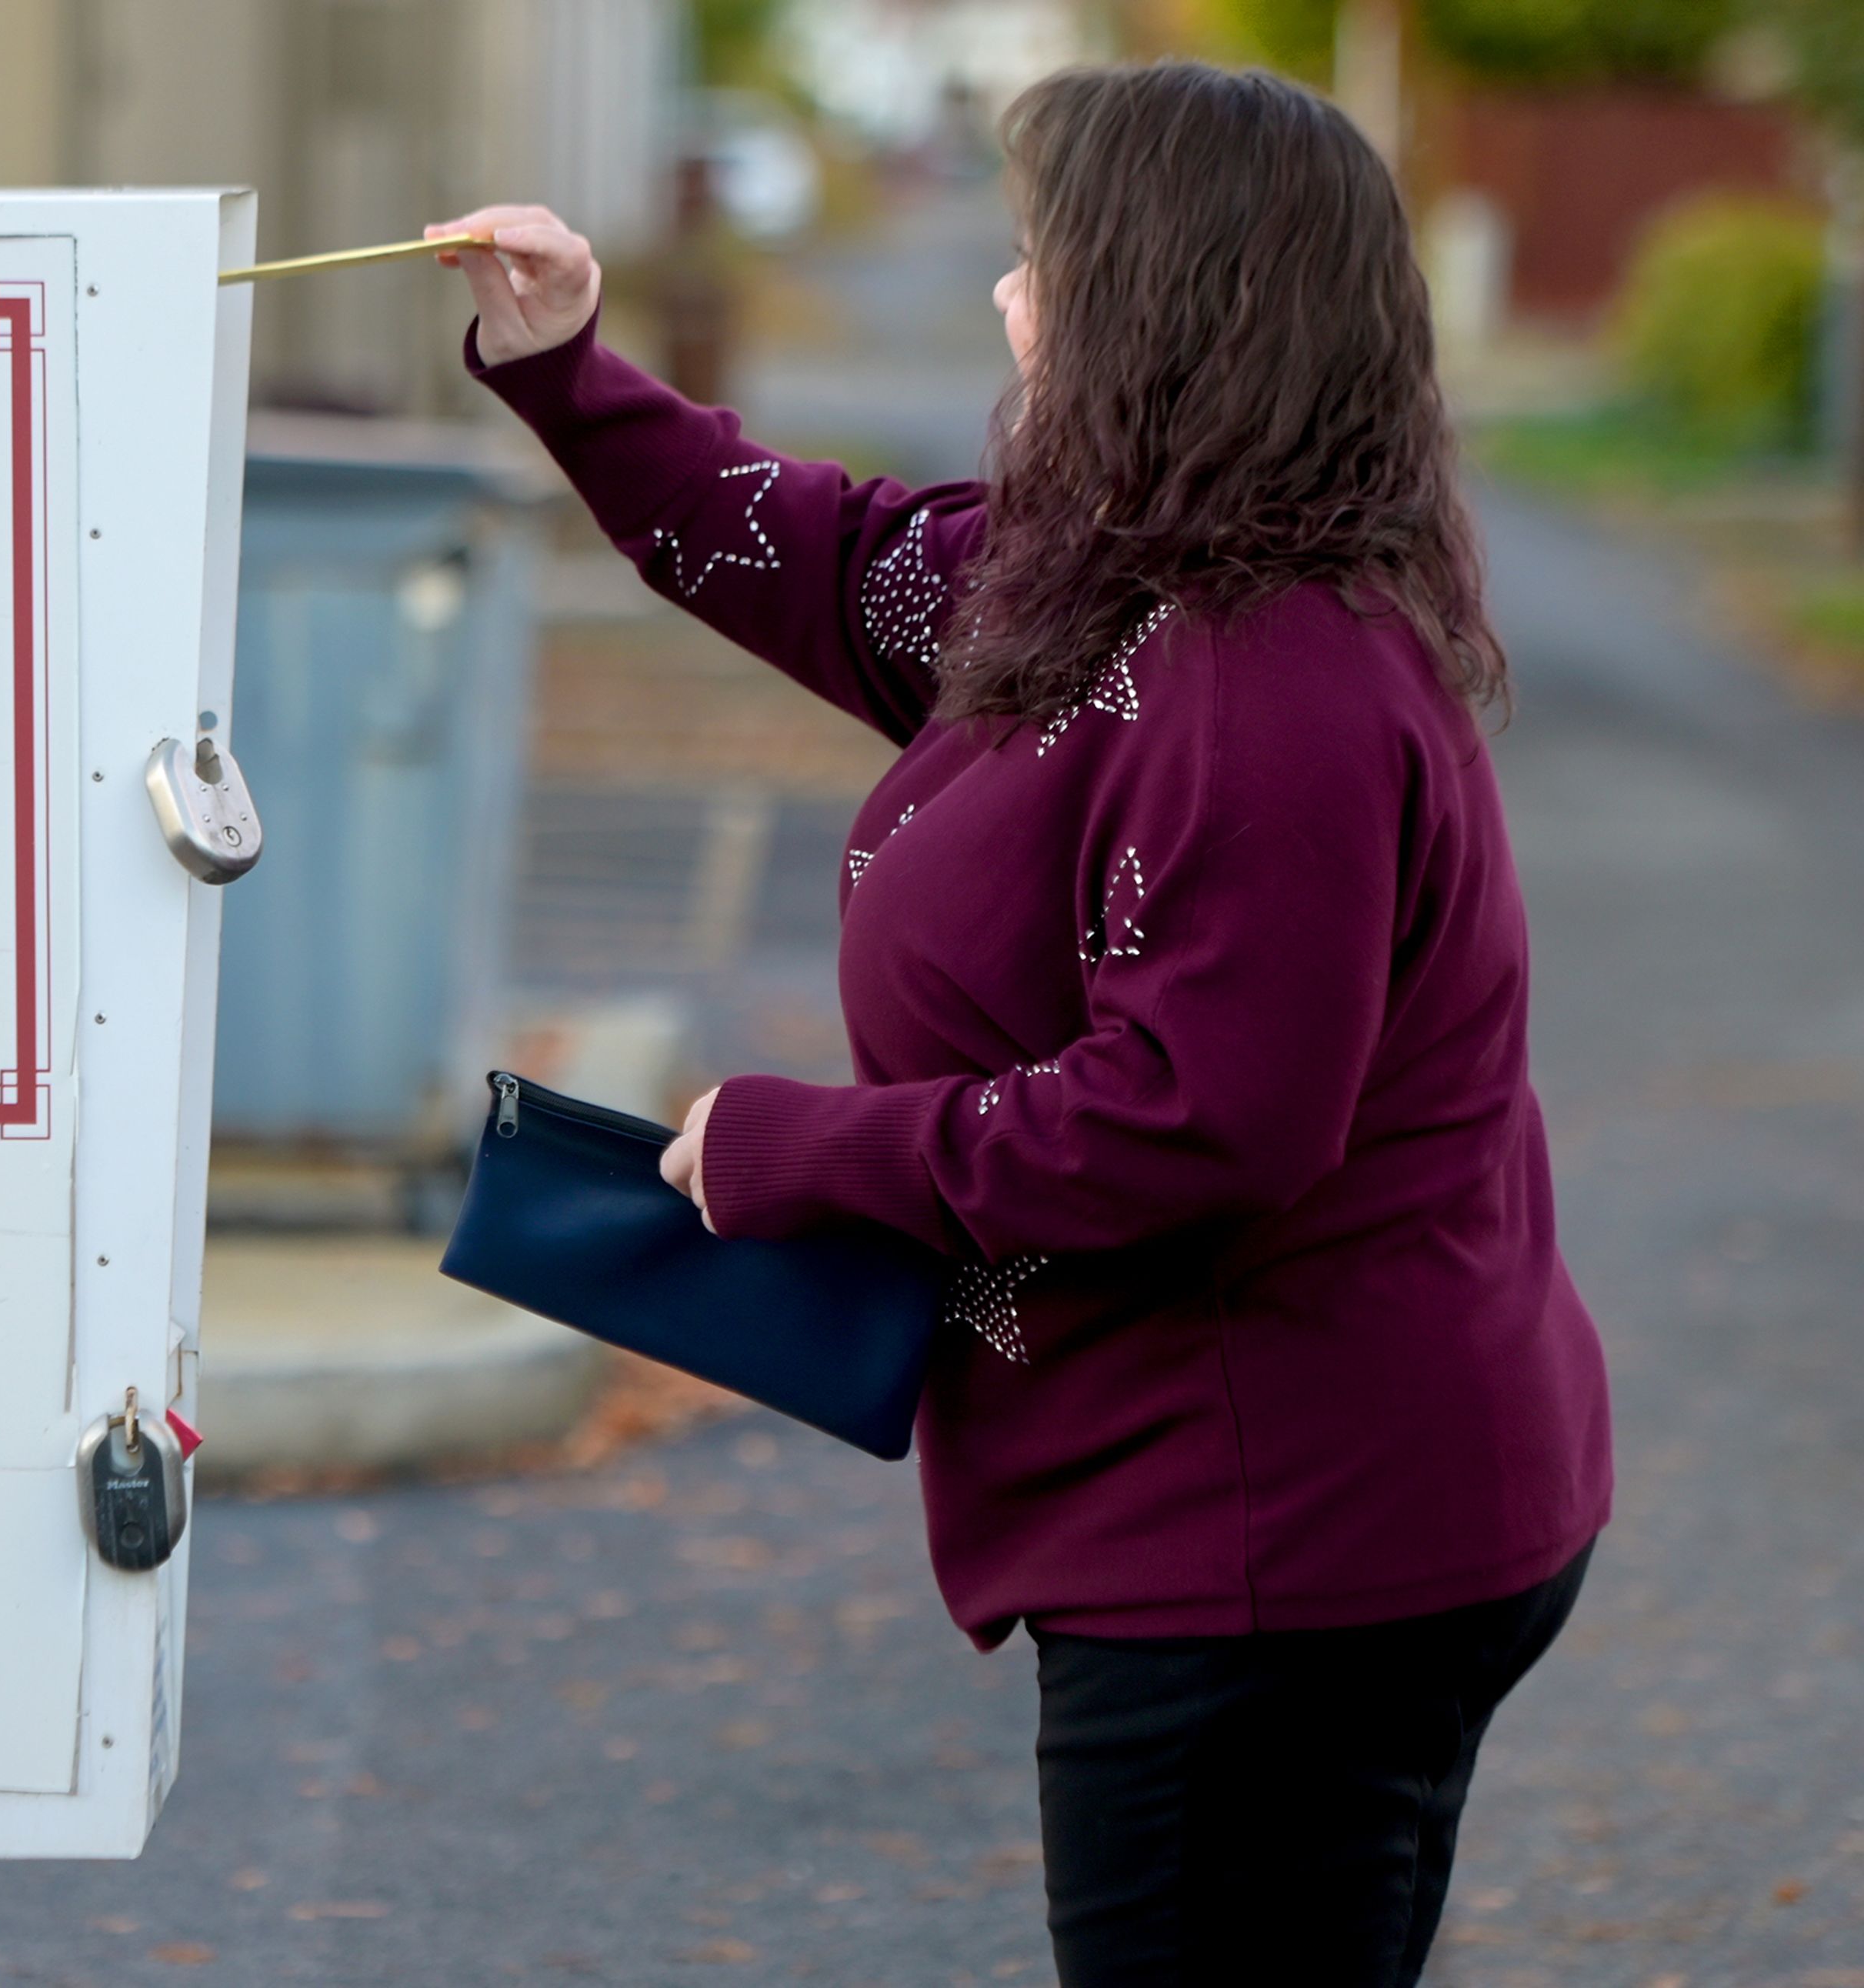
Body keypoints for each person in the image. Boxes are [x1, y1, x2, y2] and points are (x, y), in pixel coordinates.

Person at [432, 62, 1611, 1986]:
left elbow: (1199, 1117)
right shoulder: (1104, 578)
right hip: (1236, 1506)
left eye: (1040, 262)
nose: (1004, 297)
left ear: (1162, 306)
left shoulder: (1273, 681)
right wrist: (564, 364)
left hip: (1282, 1543)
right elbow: (816, 553)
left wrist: (806, 1152)